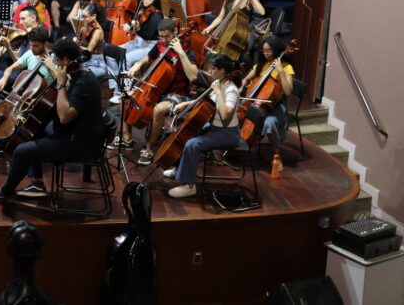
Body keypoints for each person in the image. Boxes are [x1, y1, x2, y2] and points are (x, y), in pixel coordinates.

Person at [0, 38, 106, 202]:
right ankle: (37, 184)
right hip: (75, 132)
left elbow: (65, 117)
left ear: (66, 60)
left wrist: (61, 84)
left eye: (57, 60)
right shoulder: (80, 74)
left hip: (80, 142)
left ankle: (5, 192)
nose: (56, 64)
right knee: (33, 132)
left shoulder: (84, 83)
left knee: (22, 151)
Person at [113, 19, 200, 163]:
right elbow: (148, 57)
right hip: (158, 90)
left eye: (167, 36)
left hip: (179, 95)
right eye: (161, 36)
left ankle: (149, 148)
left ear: (175, 32)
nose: (163, 40)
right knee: (125, 97)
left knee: (159, 109)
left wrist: (181, 53)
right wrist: (137, 65)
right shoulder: (160, 45)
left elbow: (193, 76)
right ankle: (127, 138)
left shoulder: (188, 51)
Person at [163, 54, 244, 198]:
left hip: (227, 133)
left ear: (222, 71)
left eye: (213, 68)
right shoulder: (218, 82)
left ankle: (189, 186)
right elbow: (206, 102)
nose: (209, 71)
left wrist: (218, 92)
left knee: (193, 144)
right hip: (214, 128)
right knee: (187, 134)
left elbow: (225, 115)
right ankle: (180, 169)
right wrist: (185, 104)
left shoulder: (231, 90)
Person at [0, 26, 55, 132]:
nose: (32, 48)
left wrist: (51, 67)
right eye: (30, 45)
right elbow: (10, 68)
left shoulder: (54, 58)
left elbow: (64, 82)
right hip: (27, 92)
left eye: (35, 46)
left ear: (45, 44)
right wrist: (4, 78)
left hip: (43, 100)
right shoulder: (31, 53)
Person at [241, 35, 295, 171]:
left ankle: (276, 156)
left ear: (276, 50)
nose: (265, 53)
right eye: (263, 51)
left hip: (277, 104)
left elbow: (288, 91)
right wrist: (243, 84)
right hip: (260, 101)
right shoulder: (262, 64)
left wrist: (280, 71)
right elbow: (247, 78)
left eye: (268, 50)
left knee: (269, 123)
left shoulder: (286, 67)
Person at [119, 0, 163, 66]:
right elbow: (136, 21)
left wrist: (136, 29)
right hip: (137, 42)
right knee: (116, 52)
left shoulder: (156, 15)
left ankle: (125, 73)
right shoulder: (144, 10)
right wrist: (128, 25)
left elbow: (147, 35)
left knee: (126, 59)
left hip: (148, 47)